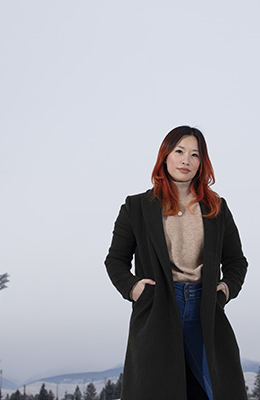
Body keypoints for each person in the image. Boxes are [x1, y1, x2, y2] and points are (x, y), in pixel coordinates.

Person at [105, 126, 248, 400]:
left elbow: (236, 261)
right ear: (165, 156)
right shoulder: (136, 207)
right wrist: (135, 289)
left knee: (215, 390)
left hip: (204, 309)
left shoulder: (217, 208)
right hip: (158, 307)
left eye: (195, 155)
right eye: (179, 151)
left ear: (201, 163)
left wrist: (227, 289)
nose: (186, 160)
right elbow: (115, 260)